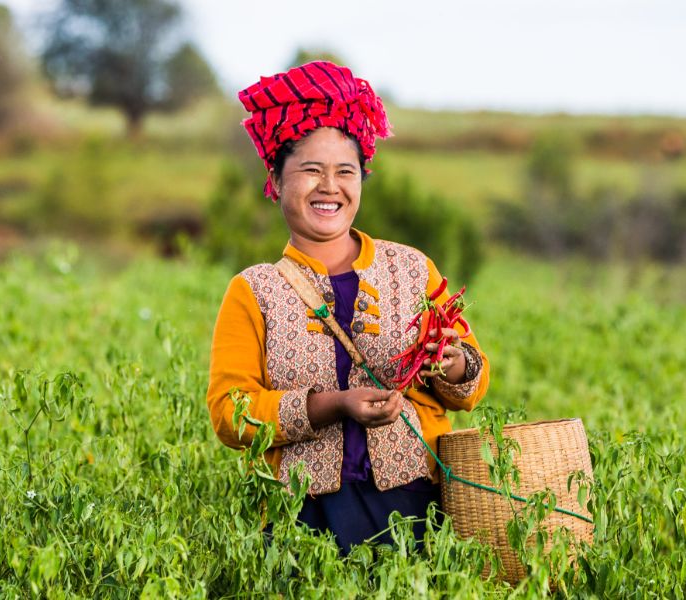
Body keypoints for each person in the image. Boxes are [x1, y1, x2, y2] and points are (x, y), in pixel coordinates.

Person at [206, 61, 490, 555]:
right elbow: (230, 414)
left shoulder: (413, 268)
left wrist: (455, 361)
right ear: (276, 178)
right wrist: (329, 405)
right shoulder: (253, 290)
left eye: (345, 171)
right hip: (302, 515)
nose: (329, 186)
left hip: (417, 505)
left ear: (362, 179)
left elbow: (472, 385)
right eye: (311, 170)